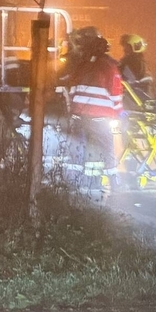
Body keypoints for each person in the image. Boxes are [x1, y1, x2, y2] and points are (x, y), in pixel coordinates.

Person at [66, 31, 124, 192]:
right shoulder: (110, 68)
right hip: (100, 117)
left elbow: (71, 90)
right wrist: (120, 112)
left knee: (77, 148)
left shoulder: (82, 65)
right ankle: (111, 182)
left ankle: (74, 182)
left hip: (79, 115)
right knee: (105, 149)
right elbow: (116, 93)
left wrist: (73, 111)